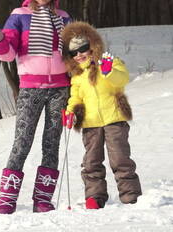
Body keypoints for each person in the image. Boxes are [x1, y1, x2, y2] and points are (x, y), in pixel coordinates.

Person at [0, 0, 71, 214]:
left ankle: (43, 200)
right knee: (22, 142)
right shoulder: (19, 15)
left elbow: (73, 54)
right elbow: (8, 54)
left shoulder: (64, 17)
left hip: (60, 89)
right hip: (31, 89)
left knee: (52, 143)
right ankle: (7, 199)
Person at [61, 21, 142, 209]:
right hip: (91, 124)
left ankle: (130, 195)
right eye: (74, 52)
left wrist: (108, 71)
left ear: (92, 46)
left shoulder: (110, 62)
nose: (80, 54)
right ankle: (94, 197)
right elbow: (75, 98)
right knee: (91, 161)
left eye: (83, 48)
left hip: (114, 120)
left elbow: (122, 80)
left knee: (120, 158)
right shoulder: (77, 76)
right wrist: (70, 112)